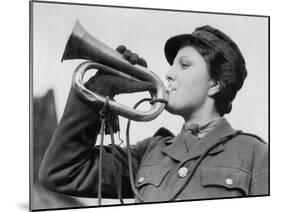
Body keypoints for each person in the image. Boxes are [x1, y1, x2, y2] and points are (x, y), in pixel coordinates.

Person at [39, 25, 268, 203]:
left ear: (215, 84)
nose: (168, 74)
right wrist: (101, 87)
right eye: (172, 66)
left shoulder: (256, 154)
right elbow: (61, 172)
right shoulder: (148, 152)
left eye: (184, 65)